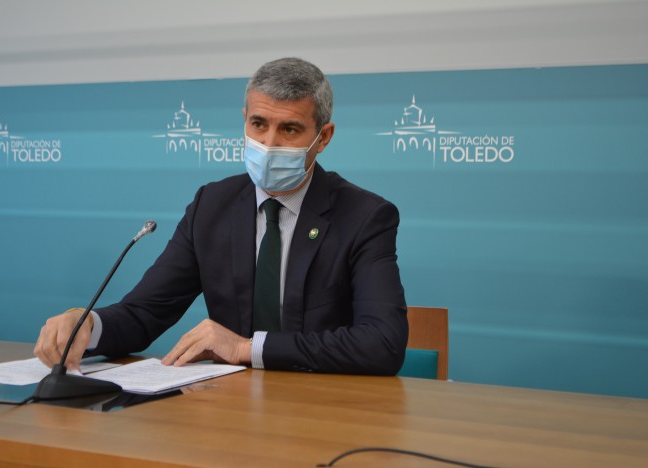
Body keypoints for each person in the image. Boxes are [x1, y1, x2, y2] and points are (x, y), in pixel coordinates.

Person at [34, 57, 408, 375]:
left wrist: (246, 348)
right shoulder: (211, 206)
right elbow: (145, 312)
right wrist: (86, 326)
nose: (269, 144)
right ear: (244, 120)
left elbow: (382, 343)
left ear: (323, 137)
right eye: (259, 124)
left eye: (289, 129)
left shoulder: (364, 217)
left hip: (321, 409)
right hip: (228, 410)